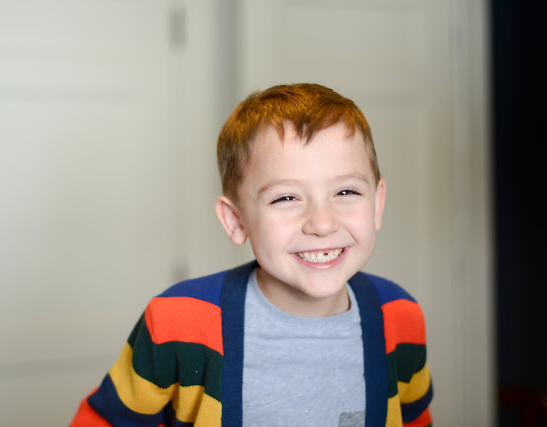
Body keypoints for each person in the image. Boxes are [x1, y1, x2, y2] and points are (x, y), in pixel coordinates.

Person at [70, 83, 433, 426]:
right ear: (236, 220)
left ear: (377, 204)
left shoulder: (401, 317)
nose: (323, 224)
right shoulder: (176, 323)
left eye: (346, 192)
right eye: (286, 197)